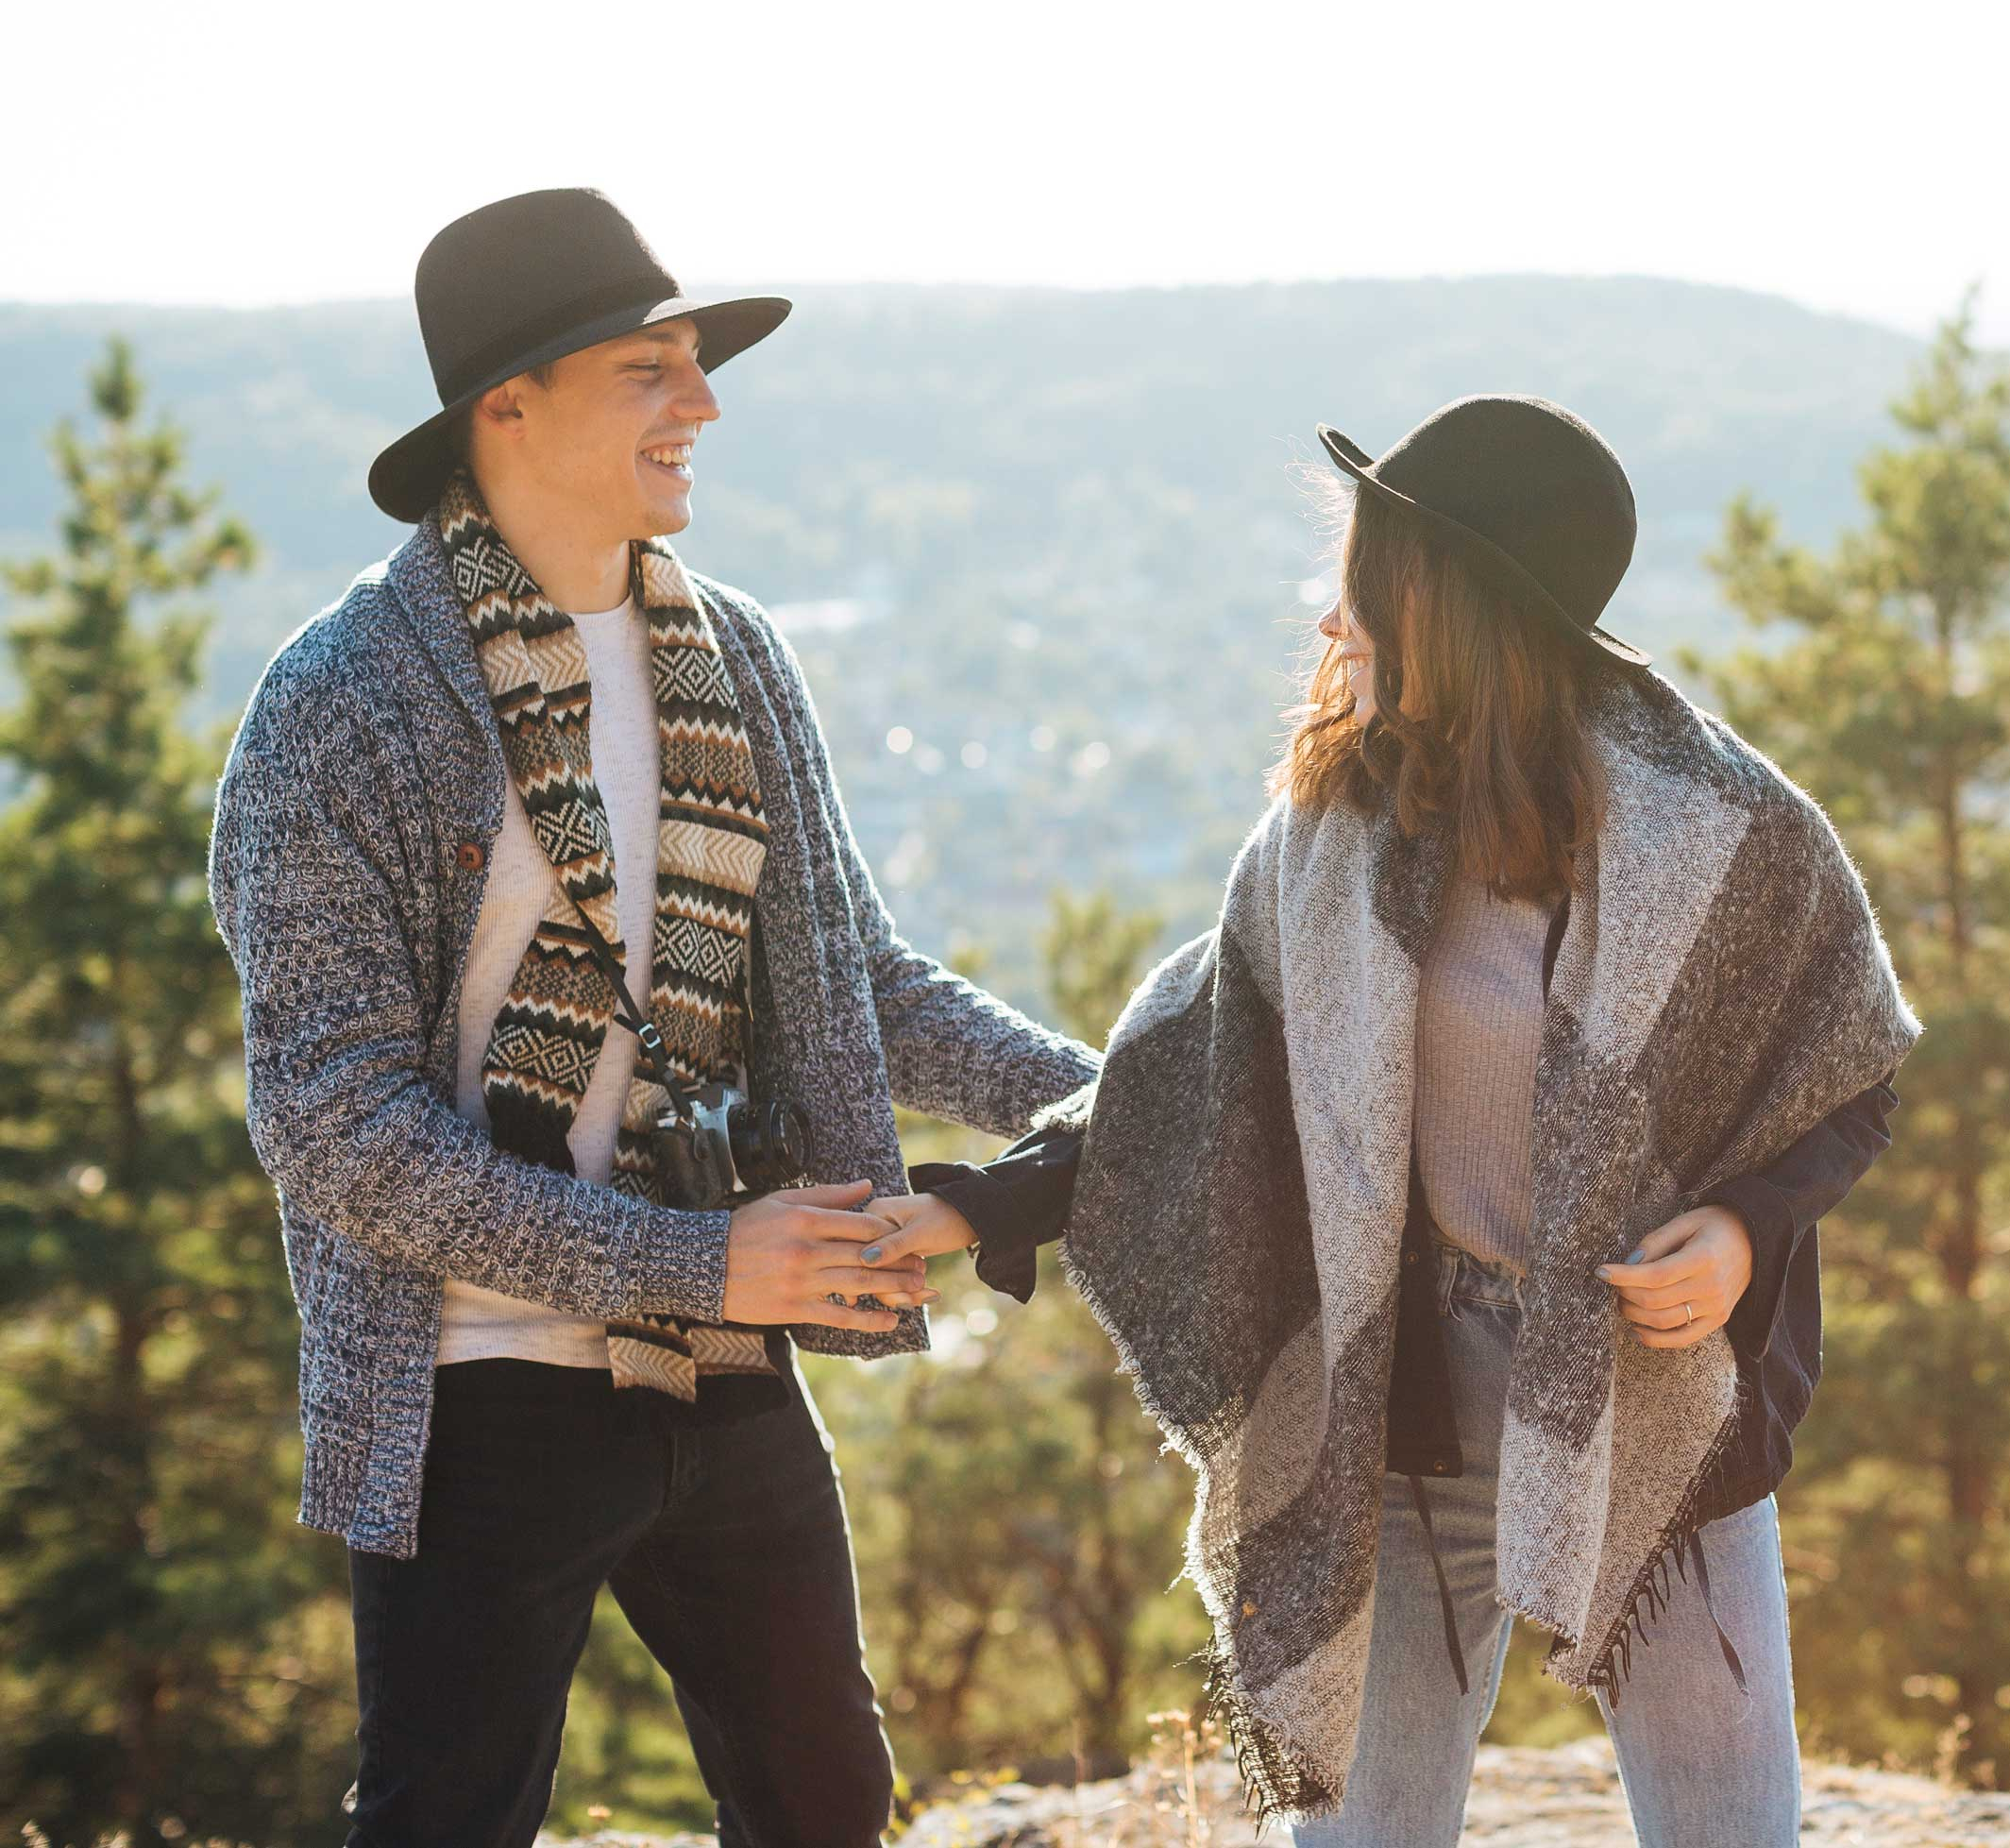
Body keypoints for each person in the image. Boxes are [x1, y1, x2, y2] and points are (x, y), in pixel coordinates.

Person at [867, 393, 1921, 1842]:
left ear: (1453, 602)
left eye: (1358, 586)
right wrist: (985, 1202)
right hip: (1399, 1400)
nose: (1328, 624)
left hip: (1648, 1406)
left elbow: (1847, 1067)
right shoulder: (1330, 833)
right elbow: (1184, 1069)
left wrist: (1742, 1232)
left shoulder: (1716, 831)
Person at [207, 188, 1099, 1845]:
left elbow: (855, 981)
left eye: (696, 362)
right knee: (444, 1818)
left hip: (725, 1364)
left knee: (828, 1799)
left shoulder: (733, 655)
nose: (702, 403)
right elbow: (331, 1126)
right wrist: (701, 1263)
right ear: (508, 405)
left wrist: (1116, 1092)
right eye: (650, 368)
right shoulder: (337, 706)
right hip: (473, 1390)